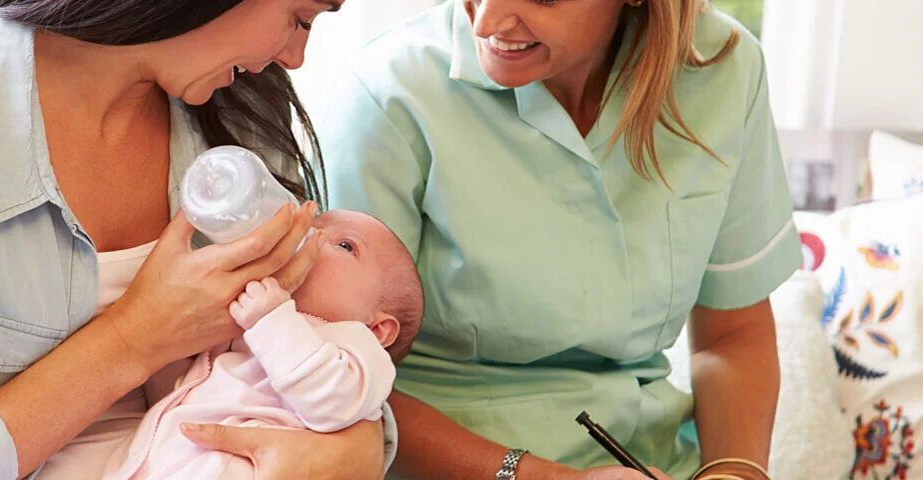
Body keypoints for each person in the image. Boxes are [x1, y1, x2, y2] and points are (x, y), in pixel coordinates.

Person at [0, 0, 395, 478]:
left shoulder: (239, 116)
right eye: (298, 17)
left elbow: (334, 335)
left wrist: (362, 447)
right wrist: (137, 337)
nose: (294, 57)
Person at [319, 0, 797, 479]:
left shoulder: (724, 69)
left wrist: (734, 472)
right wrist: (543, 477)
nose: (485, 22)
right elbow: (329, 374)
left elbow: (732, 335)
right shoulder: (387, 93)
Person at [103, 209, 423, 479]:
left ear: (379, 328)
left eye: (345, 245)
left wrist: (270, 319)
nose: (310, 237)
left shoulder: (356, 345)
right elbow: (180, 385)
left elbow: (334, 404)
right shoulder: (252, 325)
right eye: (313, 226)